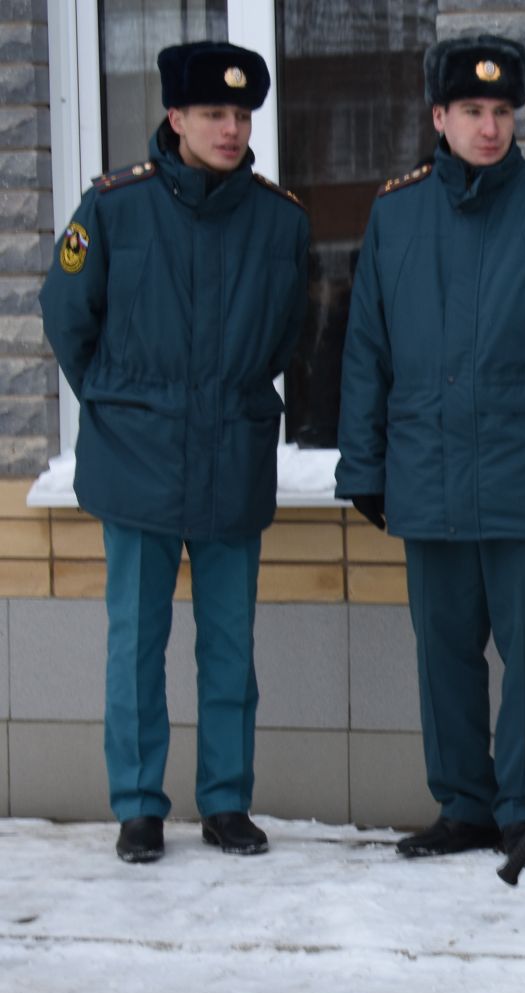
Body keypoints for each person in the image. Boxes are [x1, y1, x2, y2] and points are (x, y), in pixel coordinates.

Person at [335, 34, 525, 858]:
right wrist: (363, 466)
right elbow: (366, 352)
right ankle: (464, 803)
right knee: (445, 656)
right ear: (439, 116)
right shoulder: (396, 215)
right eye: (472, 110)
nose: (490, 127)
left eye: (502, 111)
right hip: (426, 480)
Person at [40, 41, 310, 863]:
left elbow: (289, 334)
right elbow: (67, 316)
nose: (230, 129)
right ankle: (138, 807)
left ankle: (226, 802)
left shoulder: (280, 220)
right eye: (212, 114)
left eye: (240, 114)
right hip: (138, 462)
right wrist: (123, 406)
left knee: (231, 644)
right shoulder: (114, 209)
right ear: (176, 118)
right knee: (135, 641)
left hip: (231, 455)